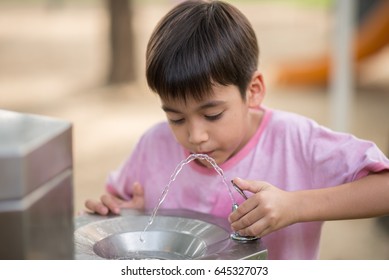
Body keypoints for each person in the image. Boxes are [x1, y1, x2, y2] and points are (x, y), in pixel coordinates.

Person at [85, 0, 389, 259]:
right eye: (176, 118)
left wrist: (296, 206)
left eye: (213, 114)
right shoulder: (154, 145)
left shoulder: (295, 141)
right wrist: (124, 215)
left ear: (253, 90)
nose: (195, 136)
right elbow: (116, 202)